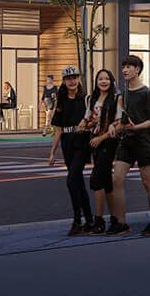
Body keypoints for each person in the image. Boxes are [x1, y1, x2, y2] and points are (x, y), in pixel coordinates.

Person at [106, 53, 150, 236]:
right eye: (124, 67)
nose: (125, 70)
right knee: (117, 179)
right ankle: (121, 222)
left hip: (144, 143)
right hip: (127, 141)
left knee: (147, 182)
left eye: (129, 66)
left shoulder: (146, 93)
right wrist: (113, 126)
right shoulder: (123, 94)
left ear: (137, 69)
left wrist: (136, 127)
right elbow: (120, 117)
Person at [48, 65, 93, 234]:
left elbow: (93, 120)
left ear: (78, 79)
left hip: (82, 144)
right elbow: (58, 129)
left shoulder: (86, 99)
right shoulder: (61, 101)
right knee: (78, 183)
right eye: (68, 78)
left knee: (72, 180)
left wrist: (86, 124)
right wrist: (52, 152)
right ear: (64, 81)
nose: (72, 81)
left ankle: (77, 221)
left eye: (74, 77)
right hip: (67, 145)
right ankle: (88, 219)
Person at [84, 67, 121, 233]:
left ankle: (99, 221)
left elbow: (119, 122)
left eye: (106, 78)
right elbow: (89, 120)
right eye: (100, 79)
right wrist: (88, 124)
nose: (103, 81)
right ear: (96, 82)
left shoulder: (116, 97)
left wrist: (101, 138)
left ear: (111, 81)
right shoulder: (92, 98)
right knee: (106, 183)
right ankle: (115, 220)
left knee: (96, 179)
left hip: (107, 142)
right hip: (94, 142)